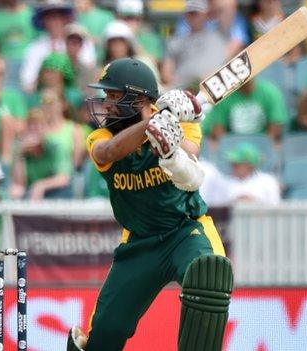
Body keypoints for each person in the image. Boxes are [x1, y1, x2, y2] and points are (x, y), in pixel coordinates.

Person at [67, 57, 233, 351]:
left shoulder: (180, 119)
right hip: (139, 242)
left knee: (207, 276)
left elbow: (192, 152)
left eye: (115, 96)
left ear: (140, 98)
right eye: (107, 96)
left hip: (186, 230)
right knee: (104, 334)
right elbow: (109, 152)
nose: (107, 103)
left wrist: (170, 129)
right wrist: (150, 125)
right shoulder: (100, 136)